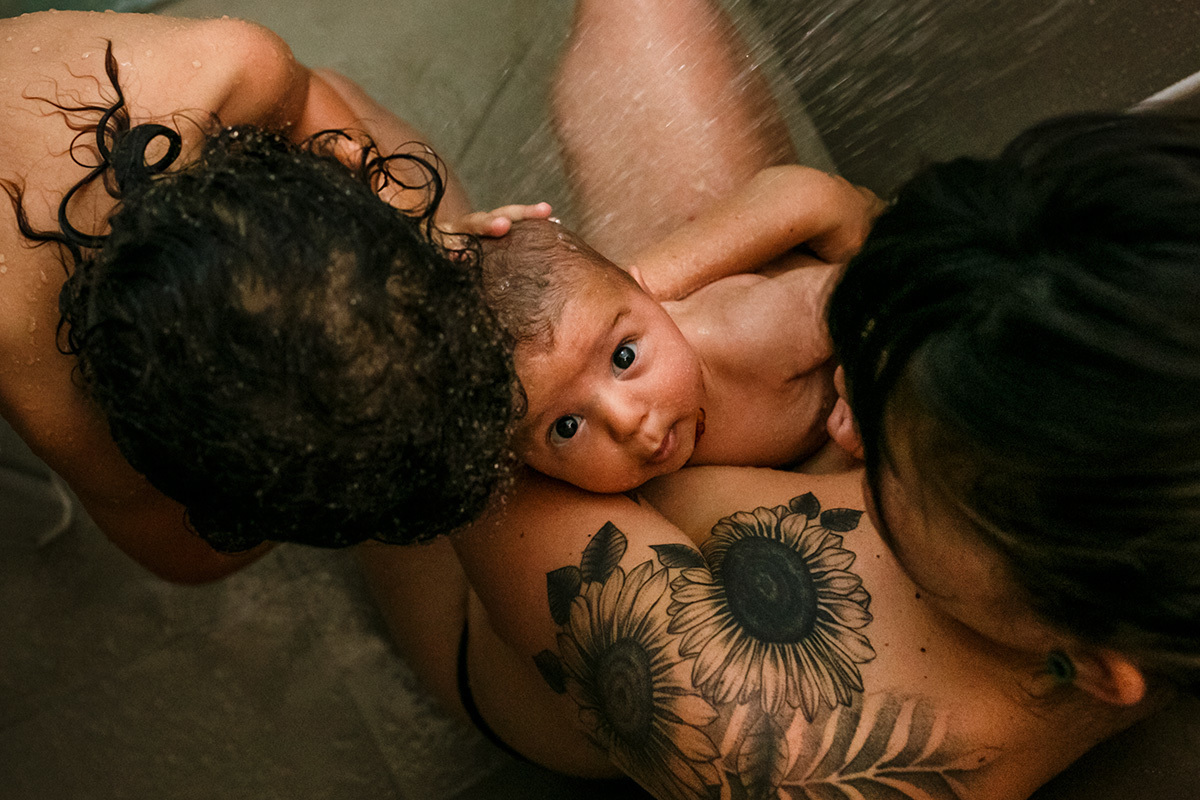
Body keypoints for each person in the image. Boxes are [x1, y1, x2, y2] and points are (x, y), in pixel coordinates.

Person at [361, 1, 1197, 798]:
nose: (850, 402)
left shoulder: (777, 733)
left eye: (894, 459)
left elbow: (458, 432)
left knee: (357, 302)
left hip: (494, 593)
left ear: (1094, 666)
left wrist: (436, 297)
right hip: (637, 380)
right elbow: (832, 225)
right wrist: (615, 299)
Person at [0, 10, 538, 583]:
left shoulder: (236, 66)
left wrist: (419, 223)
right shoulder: (29, 359)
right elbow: (185, 554)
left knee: (342, 97)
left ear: (341, 168)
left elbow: (310, 105)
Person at [478, 161, 879, 495]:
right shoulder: (629, 478)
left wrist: (871, 377)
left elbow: (880, 286)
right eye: (566, 427)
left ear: (649, 291)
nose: (624, 422)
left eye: (624, 357)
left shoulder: (750, 332)